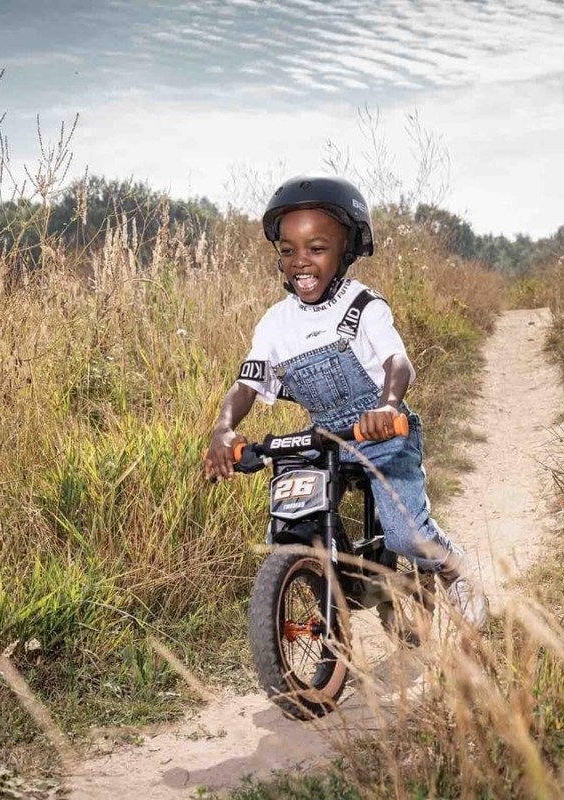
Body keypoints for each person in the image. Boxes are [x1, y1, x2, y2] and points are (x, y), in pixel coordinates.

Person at [204, 175, 487, 629]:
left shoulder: (363, 305)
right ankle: (318, 596)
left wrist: (389, 404)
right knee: (288, 525)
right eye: (288, 250)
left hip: (381, 431)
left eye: (316, 248)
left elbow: (399, 362)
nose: (301, 262)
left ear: (345, 249)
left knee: (406, 534)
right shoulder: (275, 324)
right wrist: (224, 429)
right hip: (321, 436)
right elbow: (248, 383)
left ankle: (454, 571)